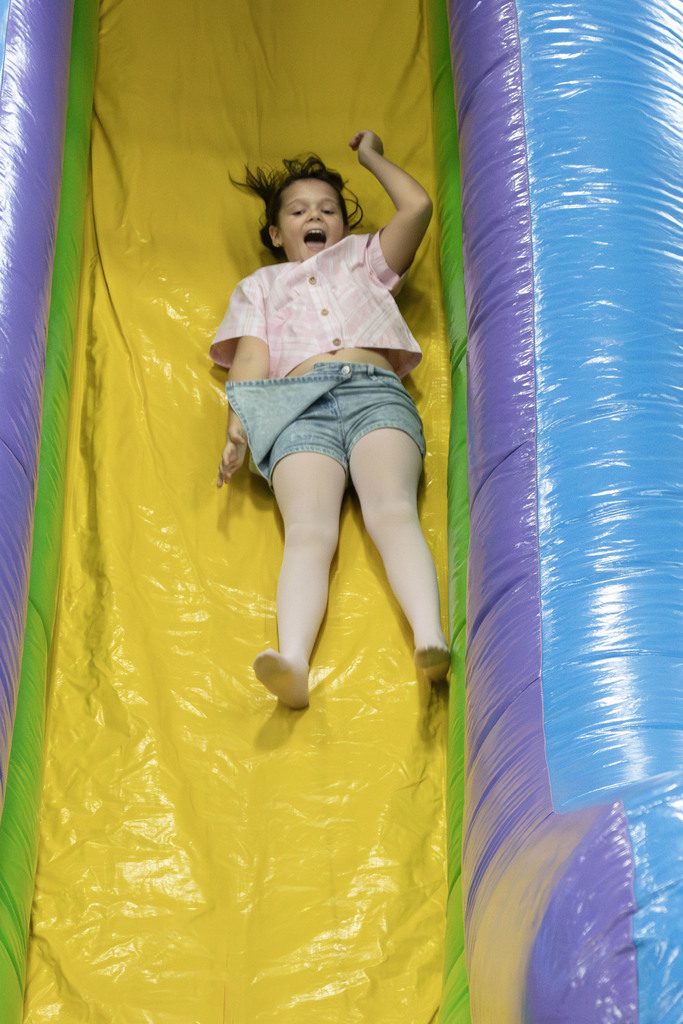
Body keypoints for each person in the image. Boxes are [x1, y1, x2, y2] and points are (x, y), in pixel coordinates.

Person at [212, 130, 449, 709]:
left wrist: (370, 157)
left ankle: (430, 637)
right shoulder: (259, 286)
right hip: (297, 409)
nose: (313, 216)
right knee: (309, 533)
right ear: (276, 232)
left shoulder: (366, 260)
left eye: (327, 209)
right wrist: (238, 428)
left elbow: (416, 206)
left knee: (391, 511)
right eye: (298, 211)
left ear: (344, 225)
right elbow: (249, 362)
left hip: (374, 393)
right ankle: (292, 661)